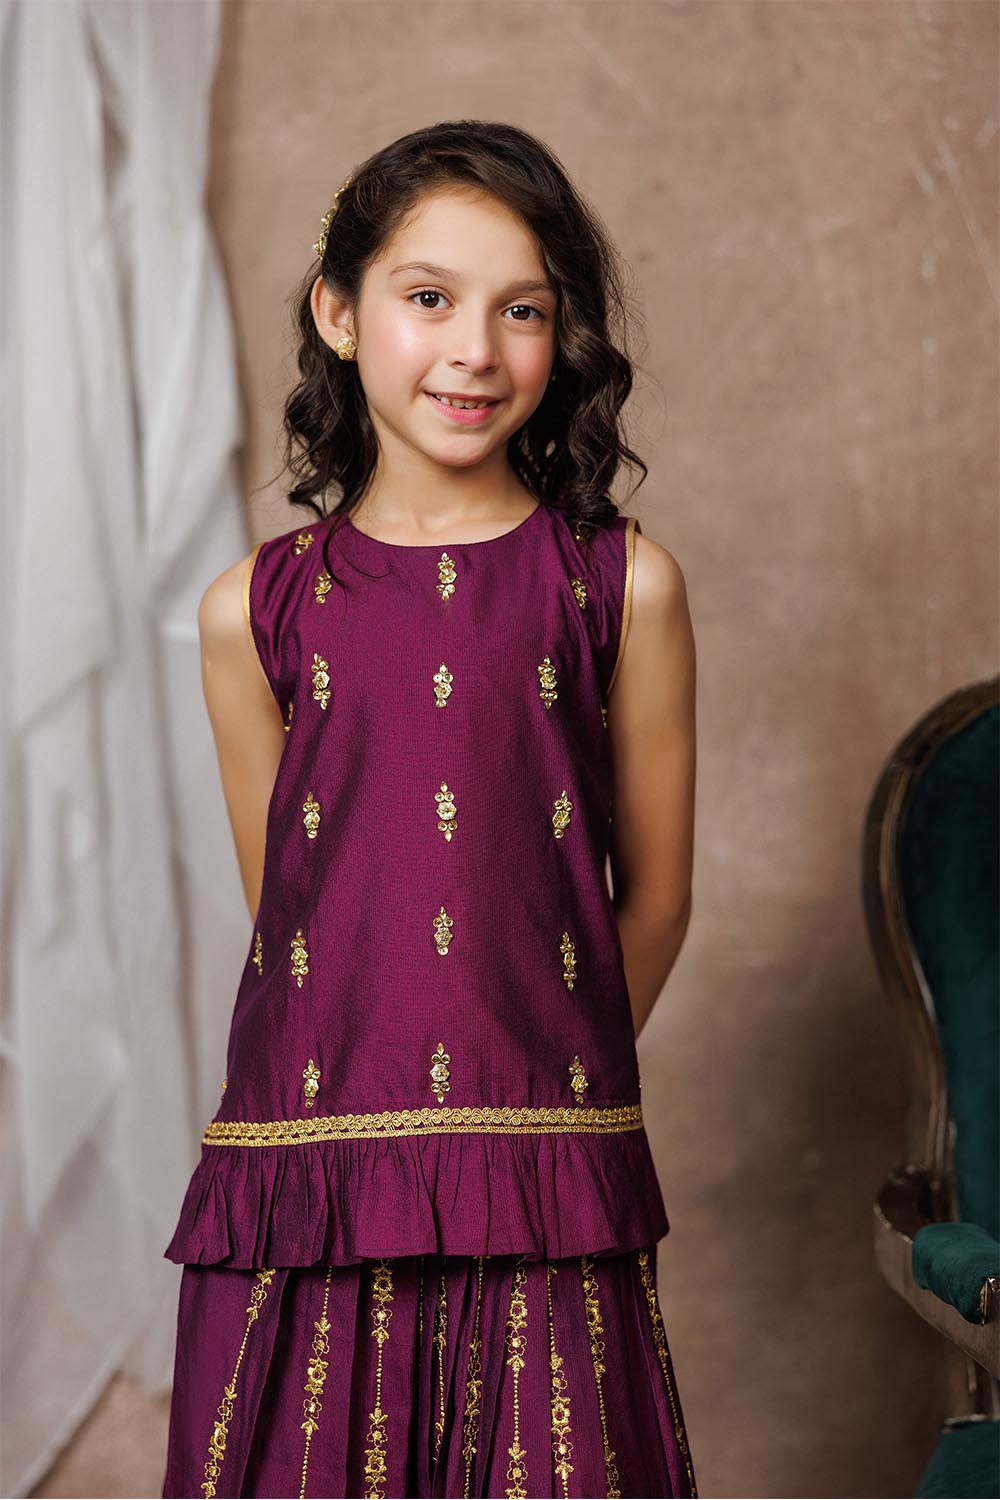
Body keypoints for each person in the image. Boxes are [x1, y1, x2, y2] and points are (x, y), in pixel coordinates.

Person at [161, 119, 698, 1500]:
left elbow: (654, 896)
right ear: (339, 314)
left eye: (522, 310)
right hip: (308, 1177)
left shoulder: (622, 587)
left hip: (547, 1173)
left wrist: (538, 1073)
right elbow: (293, 913)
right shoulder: (250, 612)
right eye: (429, 298)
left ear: (562, 339)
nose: (475, 350)